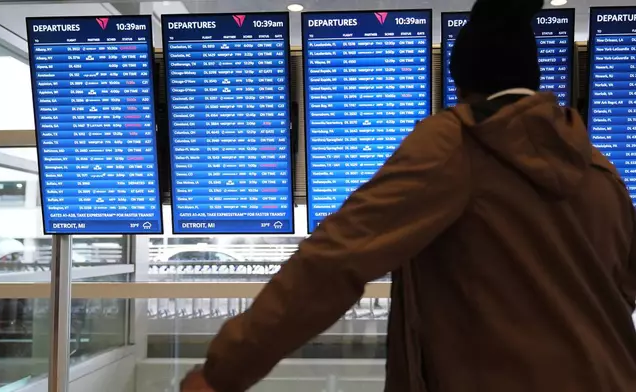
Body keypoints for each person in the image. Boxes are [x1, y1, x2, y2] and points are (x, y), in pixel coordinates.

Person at [182, 0, 636, 390]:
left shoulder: (460, 142)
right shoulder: (599, 170)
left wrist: (224, 371)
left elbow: (336, 259)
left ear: (461, 88)